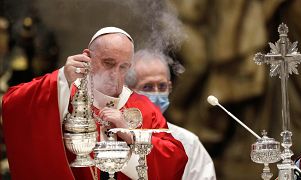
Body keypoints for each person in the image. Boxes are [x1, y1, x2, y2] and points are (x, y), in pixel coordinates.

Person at [2, 27, 188, 180]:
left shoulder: (143, 108)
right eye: (108, 63)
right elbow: (13, 104)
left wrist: (131, 134)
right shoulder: (64, 92)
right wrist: (61, 78)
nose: (115, 74)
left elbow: (174, 160)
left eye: (123, 67)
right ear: (87, 56)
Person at [125, 49, 217, 180]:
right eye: (147, 87)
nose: (156, 94)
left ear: (170, 87)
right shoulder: (115, 138)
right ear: (128, 90)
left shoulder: (188, 143)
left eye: (162, 87)